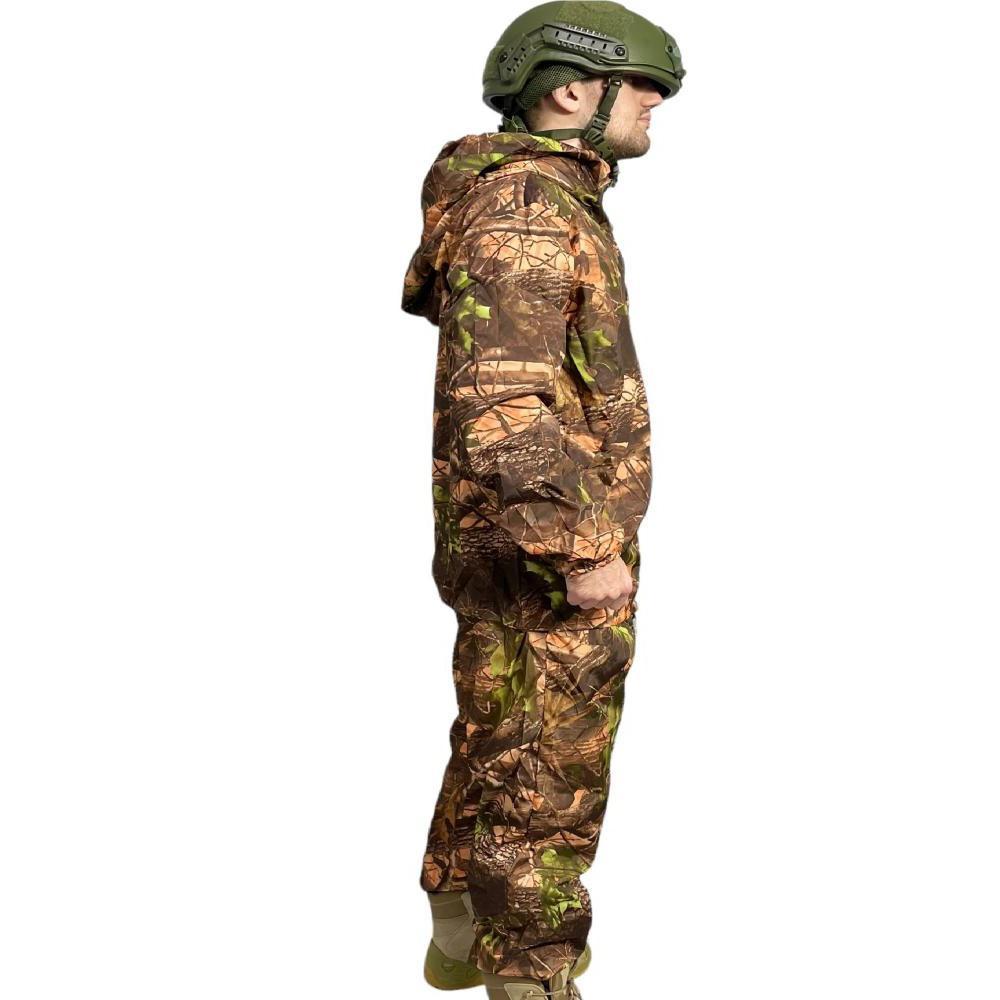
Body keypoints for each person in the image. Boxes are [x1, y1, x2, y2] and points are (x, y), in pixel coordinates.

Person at [400, 3, 685, 997]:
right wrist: (581, 548)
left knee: (497, 737)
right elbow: (503, 401)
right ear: (571, 90)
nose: (654, 103)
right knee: (545, 776)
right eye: (641, 85)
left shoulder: (537, 197)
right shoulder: (526, 204)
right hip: (546, 547)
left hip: (515, 535)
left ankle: (458, 932)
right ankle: (532, 973)